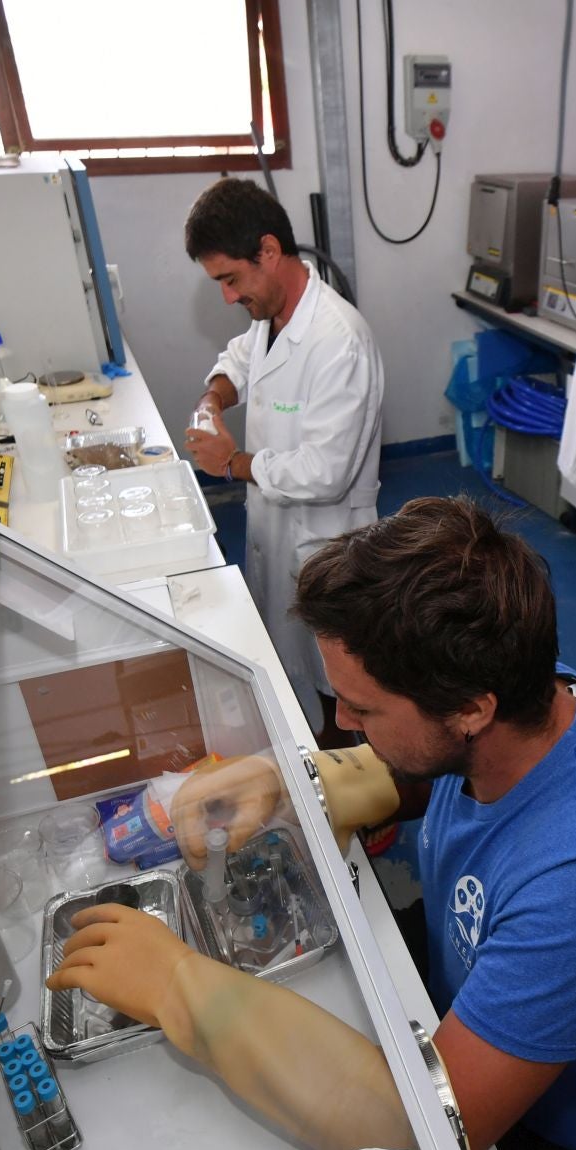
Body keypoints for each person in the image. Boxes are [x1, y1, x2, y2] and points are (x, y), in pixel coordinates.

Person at [49, 497, 576, 1150]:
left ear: (471, 708)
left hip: (556, 1136)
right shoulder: (532, 690)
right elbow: (440, 770)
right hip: (459, 978)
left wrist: (176, 986)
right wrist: (297, 781)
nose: (344, 723)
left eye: (362, 708)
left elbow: (421, 1129)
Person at [181, 176, 384, 734]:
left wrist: (231, 462)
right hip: (276, 530)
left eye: (231, 279)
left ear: (268, 252)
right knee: (292, 672)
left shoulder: (339, 339)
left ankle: (367, 804)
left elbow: (327, 473)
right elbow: (240, 361)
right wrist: (212, 398)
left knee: (345, 694)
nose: (227, 296)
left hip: (325, 539)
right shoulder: (271, 317)